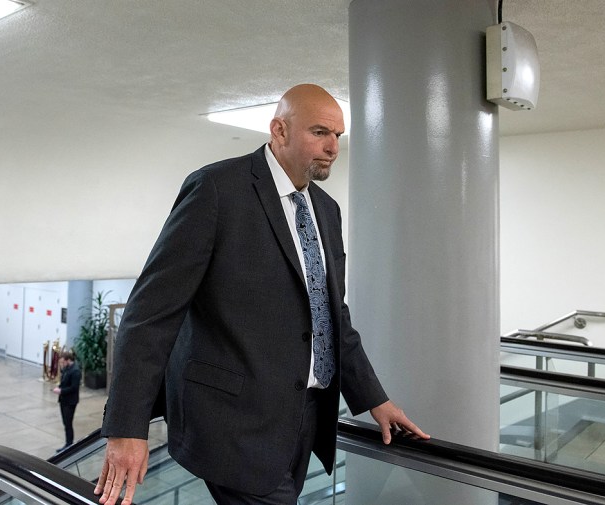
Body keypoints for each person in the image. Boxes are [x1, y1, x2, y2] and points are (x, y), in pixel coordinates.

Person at [96, 84, 429, 505]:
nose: (332, 148)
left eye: (338, 137)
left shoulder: (326, 210)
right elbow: (150, 313)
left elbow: (331, 316)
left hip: (305, 418)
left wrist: (375, 399)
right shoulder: (217, 189)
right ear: (279, 130)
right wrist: (127, 427)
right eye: (320, 132)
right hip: (232, 422)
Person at [52, 350, 82, 453]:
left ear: (68, 360)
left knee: (68, 423)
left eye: (63, 362)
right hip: (63, 400)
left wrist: (61, 391)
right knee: (65, 423)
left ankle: (69, 444)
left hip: (70, 401)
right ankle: (67, 443)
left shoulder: (75, 371)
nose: (62, 364)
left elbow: (74, 388)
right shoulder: (66, 369)